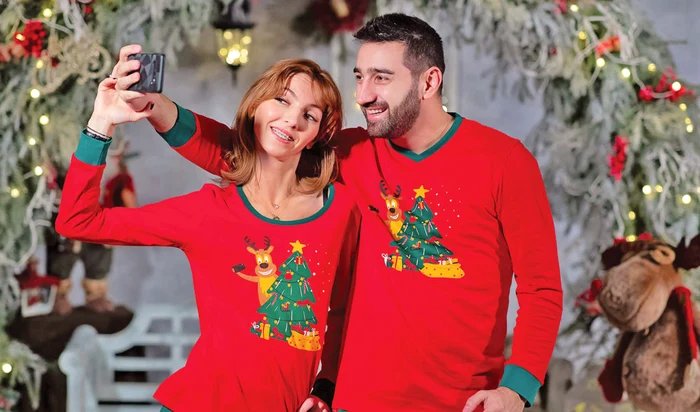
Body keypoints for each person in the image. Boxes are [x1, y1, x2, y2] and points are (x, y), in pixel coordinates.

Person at [117, 13, 563, 412]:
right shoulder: (350, 154)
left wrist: (517, 388)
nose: (363, 95)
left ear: (429, 82)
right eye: (360, 77)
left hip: (462, 402)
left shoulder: (504, 162)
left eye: (381, 78)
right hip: (355, 402)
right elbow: (249, 155)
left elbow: (541, 288)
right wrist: (158, 109)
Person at [56, 55, 360, 412]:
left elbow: (343, 311)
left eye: (310, 115)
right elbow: (77, 221)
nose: (293, 119)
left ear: (315, 136)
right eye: (282, 100)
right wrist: (101, 123)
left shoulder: (339, 210)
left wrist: (326, 386)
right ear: (255, 107)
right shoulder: (207, 212)